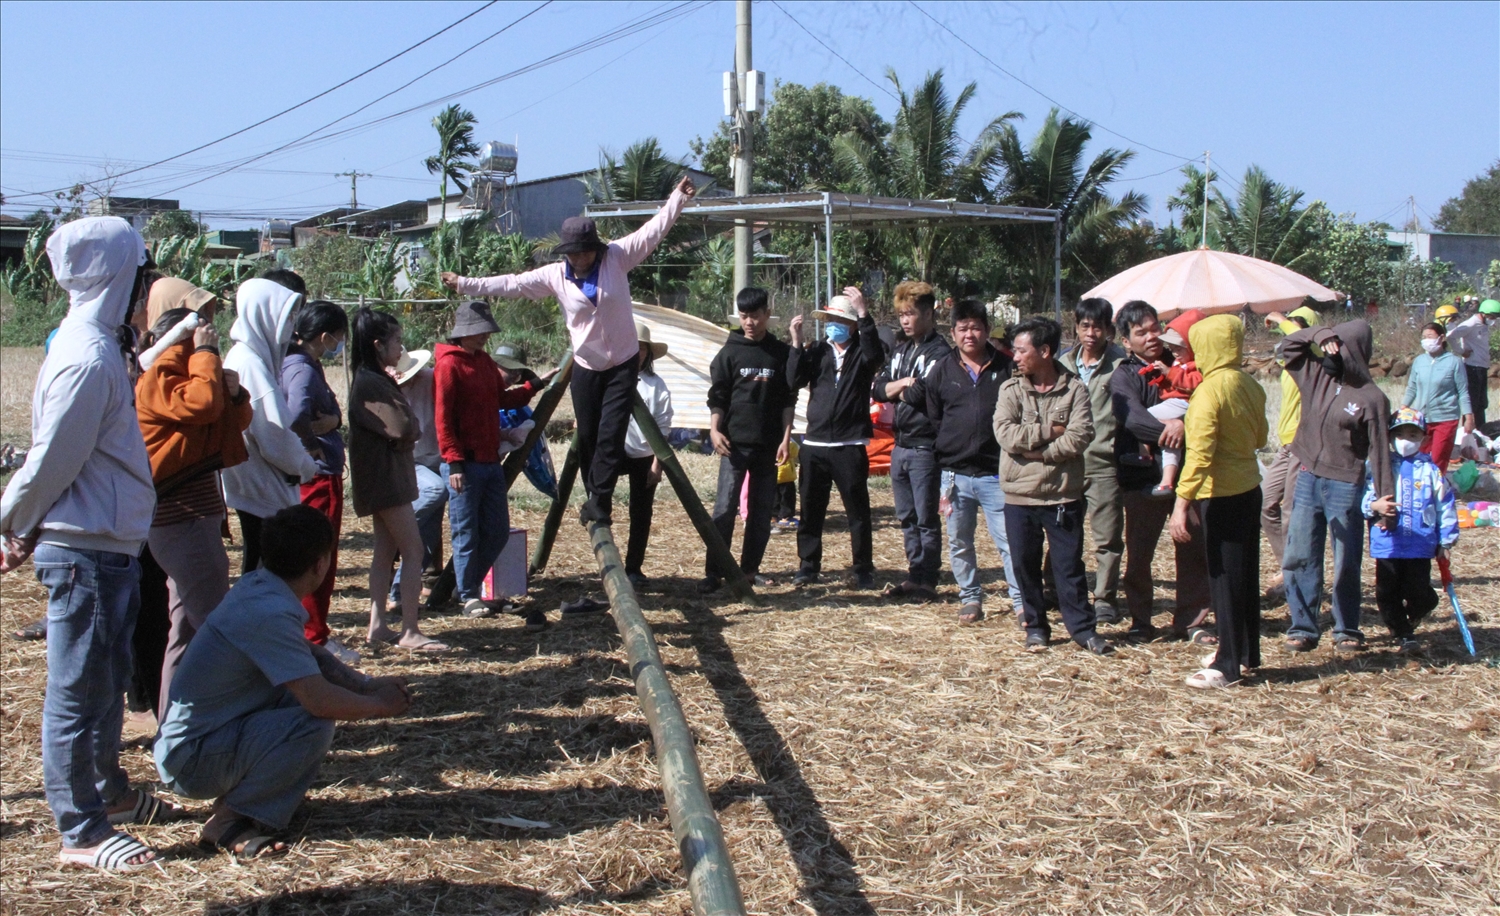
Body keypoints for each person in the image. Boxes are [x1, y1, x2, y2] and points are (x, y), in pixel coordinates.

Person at [0, 216, 175, 872]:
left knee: (103, 684)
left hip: (105, 546)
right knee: (79, 691)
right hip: (86, 553)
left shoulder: (98, 347)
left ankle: (108, 794)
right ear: (116, 276)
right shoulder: (85, 356)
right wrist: (13, 520)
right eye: (138, 275)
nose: (144, 291)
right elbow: (53, 463)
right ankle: (81, 829)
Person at [155, 505, 412, 859]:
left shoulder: (258, 588)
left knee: (302, 701)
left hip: (197, 744)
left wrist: (365, 684)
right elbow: (319, 701)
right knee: (312, 723)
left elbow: (311, 657)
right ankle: (230, 819)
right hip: (192, 761)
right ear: (320, 565)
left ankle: (253, 801)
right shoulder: (270, 612)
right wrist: (381, 706)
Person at [441, 176, 696, 526]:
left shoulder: (618, 258)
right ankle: (593, 495)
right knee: (589, 434)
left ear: (596, 248)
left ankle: (601, 503)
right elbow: (512, 283)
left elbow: (653, 231)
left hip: (622, 362)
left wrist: (677, 198)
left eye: (585, 251)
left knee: (611, 433)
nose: (579, 259)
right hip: (587, 366)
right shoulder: (554, 276)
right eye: (573, 253)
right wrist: (466, 284)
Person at [136, 298, 253, 721]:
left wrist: (236, 394)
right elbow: (202, 405)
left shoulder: (183, 374)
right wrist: (204, 356)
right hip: (179, 517)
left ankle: (172, 722)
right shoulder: (159, 377)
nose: (209, 346)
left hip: (194, 517)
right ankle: (232, 716)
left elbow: (228, 421)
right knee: (218, 628)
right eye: (199, 338)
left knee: (185, 629)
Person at [994, 317, 1109, 654]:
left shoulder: (1075, 389)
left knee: (1068, 567)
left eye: (1021, 350)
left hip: (1063, 495)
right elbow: (1006, 434)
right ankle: (1036, 628)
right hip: (1020, 496)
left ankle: (1083, 630)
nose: (1015, 356)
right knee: (1025, 566)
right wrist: (1050, 433)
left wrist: (1038, 454)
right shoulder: (1010, 390)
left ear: (1044, 351)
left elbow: (1080, 436)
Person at [1279, 318, 1393, 653]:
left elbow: (1381, 454)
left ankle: (1347, 629)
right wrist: (1319, 333)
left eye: (1339, 345)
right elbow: (1289, 347)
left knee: (1346, 560)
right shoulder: (1316, 375)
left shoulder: (1372, 399)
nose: (1332, 352)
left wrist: (1386, 503)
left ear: (1354, 350)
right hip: (1308, 477)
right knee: (1299, 554)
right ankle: (1302, 627)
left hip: (1345, 485)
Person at [910, 299, 1024, 625]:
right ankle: (971, 599)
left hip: (997, 473)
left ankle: (1021, 603)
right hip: (955, 474)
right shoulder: (942, 370)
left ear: (987, 330)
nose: (969, 334)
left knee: (1009, 542)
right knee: (960, 542)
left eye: (976, 327)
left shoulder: (1007, 367)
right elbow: (934, 416)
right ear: (953, 332)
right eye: (963, 328)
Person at [433, 301, 550, 618]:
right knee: (466, 531)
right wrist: (454, 462)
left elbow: (503, 399)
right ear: (465, 332)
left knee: (497, 532)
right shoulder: (449, 366)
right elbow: (443, 419)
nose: (486, 336)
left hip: (488, 461)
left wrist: (533, 386)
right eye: (481, 330)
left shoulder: (484, 362)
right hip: (465, 464)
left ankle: (465, 586)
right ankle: (468, 595)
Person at [1171, 316, 1268, 688]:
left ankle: (1227, 665)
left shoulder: (1209, 392)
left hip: (1220, 494)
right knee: (1245, 574)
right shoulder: (1251, 385)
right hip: (1249, 488)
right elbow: (1260, 437)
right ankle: (1245, 651)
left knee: (1224, 579)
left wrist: (1182, 503)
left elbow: (1199, 455)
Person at [346, 308, 450, 652]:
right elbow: (403, 427)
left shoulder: (370, 378)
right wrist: (411, 429)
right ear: (378, 345)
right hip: (387, 479)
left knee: (385, 550)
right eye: (398, 342)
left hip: (381, 477)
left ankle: (378, 625)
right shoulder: (372, 382)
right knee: (413, 549)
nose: (402, 350)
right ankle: (410, 629)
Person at [1109, 301, 1212, 642]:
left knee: (1192, 544)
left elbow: (1209, 404)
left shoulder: (1182, 363)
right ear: (1126, 340)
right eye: (1141, 332)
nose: (1151, 337)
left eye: (1156, 329)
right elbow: (1133, 419)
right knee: (1139, 552)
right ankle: (1141, 619)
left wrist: (1187, 428)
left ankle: (1192, 621)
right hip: (1141, 476)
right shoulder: (1123, 375)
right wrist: (1175, 431)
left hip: (1188, 475)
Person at [221, 278, 319, 575]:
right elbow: (273, 434)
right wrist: (305, 465)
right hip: (264, 491)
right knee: (266, 577)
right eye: (286, 316)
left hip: (260, 488)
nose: (290, 324)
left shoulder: (251, 359)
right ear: (263, 314)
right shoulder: (251, 364)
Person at [787, 288, 883, 589]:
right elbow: (793, 379)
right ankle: (808, 565)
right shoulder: (818, 351)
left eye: (839, 319)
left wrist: (864, 313)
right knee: (812, 509)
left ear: (853, 324)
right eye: (829, 319)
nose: (833, 324)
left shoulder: (862, 352)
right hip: (815, 444)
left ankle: (863, 568)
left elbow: (876, 355)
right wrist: (796, 343)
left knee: (857, 511)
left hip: (849, 443)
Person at [703, 287, 796, 591]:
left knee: (760, 513)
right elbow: (717, 396)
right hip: (734, 445)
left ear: (767, 315)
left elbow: (787, 400)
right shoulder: (729, 352)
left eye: (755, 316)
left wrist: (785, 439)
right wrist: (715, 430)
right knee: (724, 509)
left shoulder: (779, 353)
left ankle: (749, 570)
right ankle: (714, 573)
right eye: (744, 316)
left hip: (768, 445)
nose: (749, 322)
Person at [281, 301, 355, 663]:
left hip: (316, 474)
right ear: (325, 336)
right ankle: (315, 634)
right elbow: (296, 414)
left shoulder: (301, 365)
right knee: (318, 558)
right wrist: (311, 447)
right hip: (318, 478)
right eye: (339, 337)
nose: (340, 343)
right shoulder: (303, 370)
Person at [872, 280, 952, 601]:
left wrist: (900, 388)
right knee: (906, 516)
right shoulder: (902, 350)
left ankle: (927, 579)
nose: (905, 320)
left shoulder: (940, 352)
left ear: (928, 312)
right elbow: (878, 388)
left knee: (925, 517)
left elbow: (921, 393)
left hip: (924, 447)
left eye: (911, 313)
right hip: (900, 444)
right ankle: (913, 573)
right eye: (901, 314)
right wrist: (902, 383)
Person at [1363, 408, 1459, 655]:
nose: (1407, 440)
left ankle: (1419, 610)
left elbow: (1445, 504)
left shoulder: (1431, 471)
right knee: (1387, 592)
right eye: (1401, 434)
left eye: (1413, 435)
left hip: (1420, 543)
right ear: (1391, 436)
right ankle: (1402, 632)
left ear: (1424, 438)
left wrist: (1446, 541)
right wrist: (1373, 506)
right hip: (1388, 542)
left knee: (1417, 590)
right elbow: (1363, 497)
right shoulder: (1380, 466)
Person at [1058, 297, 1128, 622]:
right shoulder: (1064, 364)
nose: (1090, 333)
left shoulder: (1121, 365)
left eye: (1097, 326)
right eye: (1085, 326)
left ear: (1108, 330)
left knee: (1108, 538)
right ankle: (1063, 594)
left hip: (1103, 463)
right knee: (1064, 534)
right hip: (1067, 462)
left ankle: (1104, 599)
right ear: (1076, 327)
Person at [1260, 306, 1318, 601]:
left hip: (1302, 443)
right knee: (1267, 503)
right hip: (1285, 445)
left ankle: (1294, 576)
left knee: (1290, 510)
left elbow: (1303, 337)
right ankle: (1288, 564)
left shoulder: (1313, 361)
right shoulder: (1290, 366)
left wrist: (1283, 320)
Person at [389, 348, 448, 606]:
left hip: (434, 457)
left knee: (429, 532)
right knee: (435, 490)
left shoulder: (431, 379)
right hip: (409, 460)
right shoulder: (389, 390)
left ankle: (399, 594)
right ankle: (398, 528)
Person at [622, 322, 673, 588]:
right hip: (616, 451)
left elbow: (663, 428)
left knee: (641, 513)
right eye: (633, 347)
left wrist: (657, 464)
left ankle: (634, 567)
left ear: (647, 353)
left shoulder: (656, 385)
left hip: (645, 454)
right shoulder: (613, 379)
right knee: (601, 507)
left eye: (641, 348)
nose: (637, 353)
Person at [1138, 309, 1205, 497]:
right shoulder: (1179, 362)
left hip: (1182, 403)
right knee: (1170, 443)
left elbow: (1193, 383)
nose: (1174, 352)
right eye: (1172, 347)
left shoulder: (1197, 364)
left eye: (1179, 347)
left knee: (1146, 416)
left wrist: (1170, 373)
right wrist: (1162, 379)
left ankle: (1143, 453)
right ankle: (1167, 482)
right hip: (1175, 401)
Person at [1402, 321, 1474, 467]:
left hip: (1446, 418)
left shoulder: (1454, 362)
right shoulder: (1419, 361)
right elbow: (1412, 388)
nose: (1426, 340)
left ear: (1441, 338)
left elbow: (1463, 391)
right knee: (1418, 457)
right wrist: (1403, 408)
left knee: (1438, 458)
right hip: (1421, 418)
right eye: (1424, 337)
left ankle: (1437, 486)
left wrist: (1468, 416)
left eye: (1430, 336)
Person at [1445, 298, 1496, 426]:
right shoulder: (1471, 324)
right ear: (1483, 313)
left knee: (1482, 403)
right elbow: (1451, 336)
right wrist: (1461, 351)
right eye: (1491, 316)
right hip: (1473, 367)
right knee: (1473, 403)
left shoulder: (1485, 323)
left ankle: (1481, 430)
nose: (1493, 319)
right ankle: (1469, 431)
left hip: (1483, 366)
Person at [772, 438, 799, 531]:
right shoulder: (788, 443)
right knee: (787, 497)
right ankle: (785, 517)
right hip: (785, 476)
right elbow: (795, 451)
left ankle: (773, 516)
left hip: (775, 476)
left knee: (775, 497)